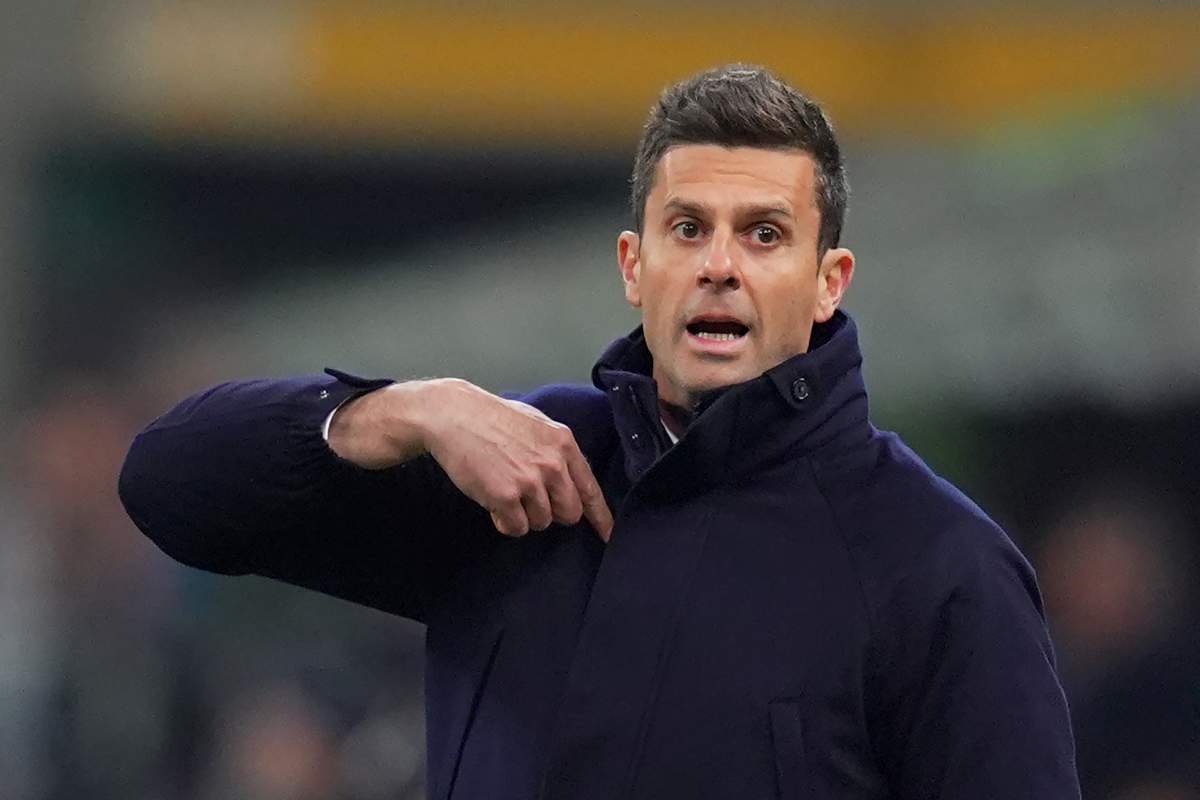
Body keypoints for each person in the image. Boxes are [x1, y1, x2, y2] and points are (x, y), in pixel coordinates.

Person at [118, 65, 1081, 799]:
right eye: (688, 228)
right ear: (633, 265)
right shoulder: (513, 468)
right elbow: (170, 484)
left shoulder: (936, 563)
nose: (719, 266)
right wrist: (401, 409)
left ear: (829, 282)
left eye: (764, 234)